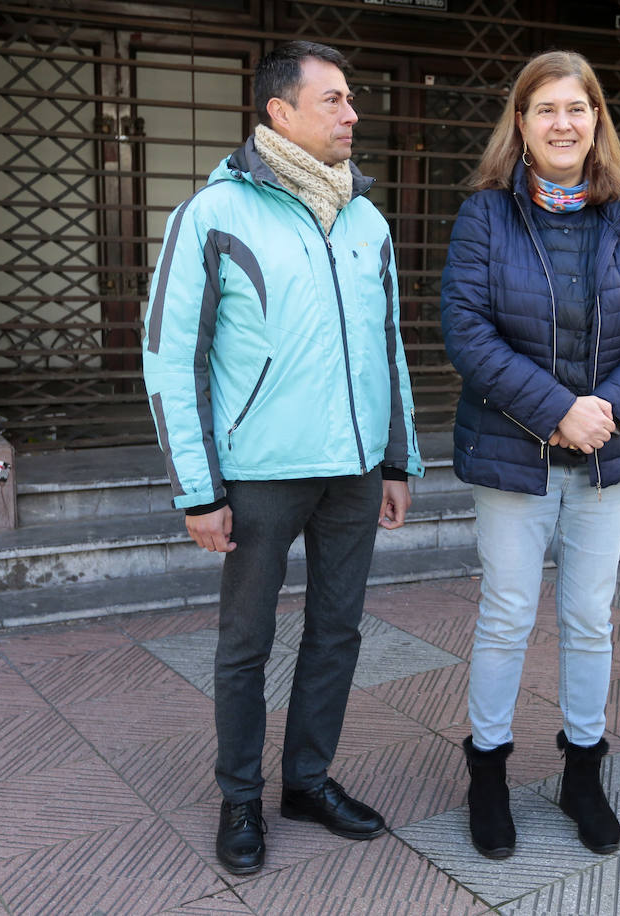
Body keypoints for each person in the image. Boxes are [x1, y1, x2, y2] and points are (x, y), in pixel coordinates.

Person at [141, 41, 423, 875]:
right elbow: (170, 357)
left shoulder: (367, 219)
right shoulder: (214, 213)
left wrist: (398, 461)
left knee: (336, 632)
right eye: (332, 100)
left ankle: (307, 780)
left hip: (354, 473)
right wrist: (199, 490)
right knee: (246, 644)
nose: (351, 114)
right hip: (259, 475)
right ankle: (240, 798)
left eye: (350, 99)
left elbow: (389, 346)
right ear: (280, 114)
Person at [440, 50, 620, 858]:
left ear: (597, 121)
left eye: (578, 108)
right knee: (507, 616)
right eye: (545, 108)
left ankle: (584, 772)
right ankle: (488, 775)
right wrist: (554, 412)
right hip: (515, 456)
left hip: (605, 458)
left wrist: (603, 411)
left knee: (588, 621)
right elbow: (466, 331)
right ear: (521, 122)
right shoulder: (485, 215)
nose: (563, 123)